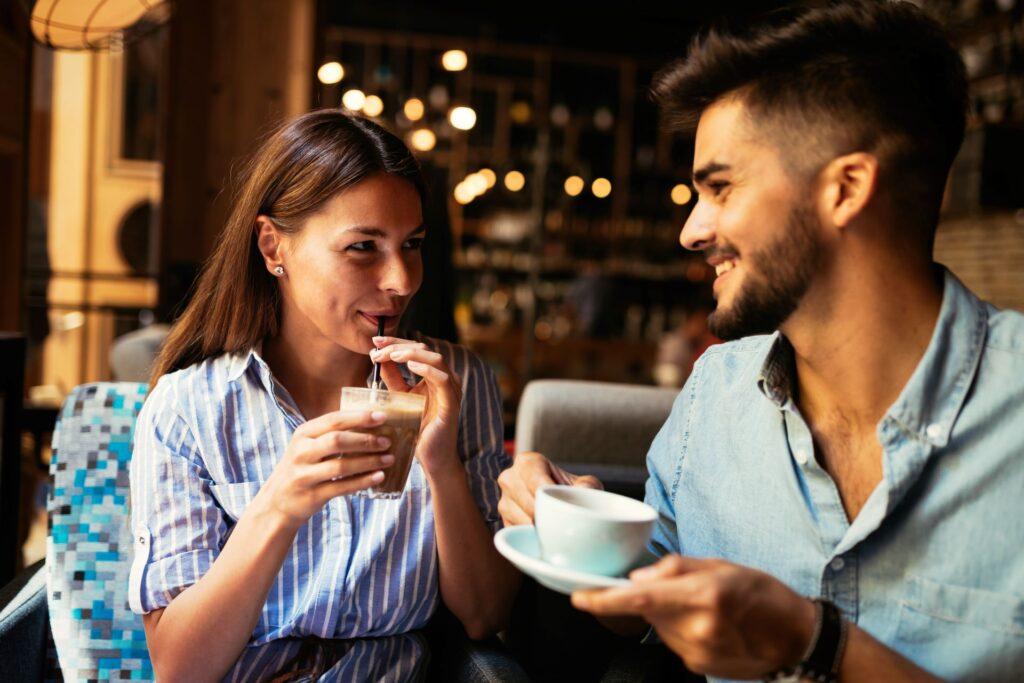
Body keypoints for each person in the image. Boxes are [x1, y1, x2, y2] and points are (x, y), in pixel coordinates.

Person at [497, 2, 1024, 681]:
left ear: (847, 188)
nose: (691, 230)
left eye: (719, 187)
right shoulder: (717, 392)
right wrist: (580, 525)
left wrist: (816, 643)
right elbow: (649, 599)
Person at [127, 110, 520, 682]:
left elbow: (485, 616)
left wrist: (441, 467)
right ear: (272, 247)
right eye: (363, 246)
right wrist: (279, 505)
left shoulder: (455, 383)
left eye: (412, 245)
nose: (402, 280)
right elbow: (180, 669)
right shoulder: (189, 408)